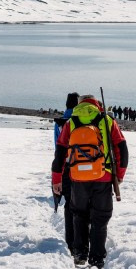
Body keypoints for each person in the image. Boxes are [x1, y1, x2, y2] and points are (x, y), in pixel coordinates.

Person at [52, 94, 128, 269]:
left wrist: (57, 178)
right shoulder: (107, 120)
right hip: (104, 177)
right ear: (96, 104)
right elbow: (122, 149)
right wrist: (120, 175)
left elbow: (60, 152)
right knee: (100, 218)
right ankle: (97, 258)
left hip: (77, 177)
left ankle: (80, 253)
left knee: (79, 214)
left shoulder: (71, 122)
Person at [53, 92, 79, 254]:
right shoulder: (80, 121)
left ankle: (70, 241)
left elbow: (57, 144)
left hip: (64, 165)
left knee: (69, 203)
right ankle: (82, 238)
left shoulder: (60, 121)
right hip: (81, 166)